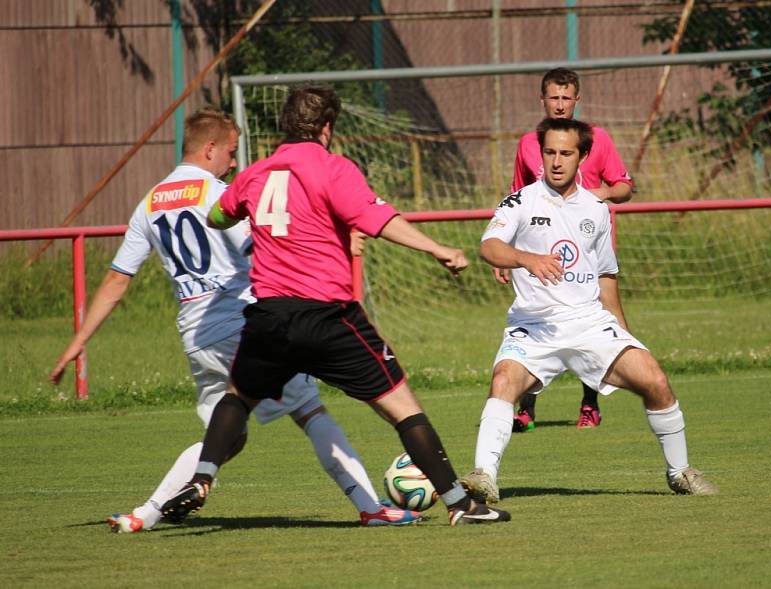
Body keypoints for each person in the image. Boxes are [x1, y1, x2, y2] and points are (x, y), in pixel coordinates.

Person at [49, 108, 423, 532]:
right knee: (311, 410)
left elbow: (118, 279)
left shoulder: (150, 202)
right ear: (209, 149)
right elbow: (267, 241)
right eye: (229, 152)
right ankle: (371, 507)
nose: (233, 162)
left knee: (226, 436)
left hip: (196, 336)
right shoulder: (218, 194)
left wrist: (79, 341)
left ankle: (144, 515)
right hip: (239, 325)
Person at [160, 85, 510, 526]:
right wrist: (437, 248)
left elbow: (218, 216)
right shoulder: (332, 168)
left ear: (285, 126)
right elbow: (379, 220)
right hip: (328, 317)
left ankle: (204, 476)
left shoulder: (256, 172)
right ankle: (461, 504)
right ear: (327, 128)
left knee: (238, 397)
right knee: (402, 406)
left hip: (269, 318)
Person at [461, 117, 717, 503]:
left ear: (582, 156)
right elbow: (489, 247)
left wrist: (624, 333)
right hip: (534, 327)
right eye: (550, 152)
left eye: (566, 153)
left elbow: (605, 277)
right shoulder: (520, 201)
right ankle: (484, 476)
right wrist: (525, 258)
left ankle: (680, 472)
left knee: (656, 381)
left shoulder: (597, 209)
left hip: (588, 323)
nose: (557, 161)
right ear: (541, 154)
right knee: (503, 382)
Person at [506, 67, 634, 432]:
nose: (560, 105)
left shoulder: (597, 139)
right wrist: (507, 252)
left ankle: (590, 404)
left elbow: (624, 186)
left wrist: (603, 193)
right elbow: (517, 198)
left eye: (566, 98)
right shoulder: (527, 144)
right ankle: (527, 408)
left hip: (588, 253)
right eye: (553, 97)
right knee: (537, 321)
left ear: (576, 101)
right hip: (540, 256)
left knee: (590, 324)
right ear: (542, 100)